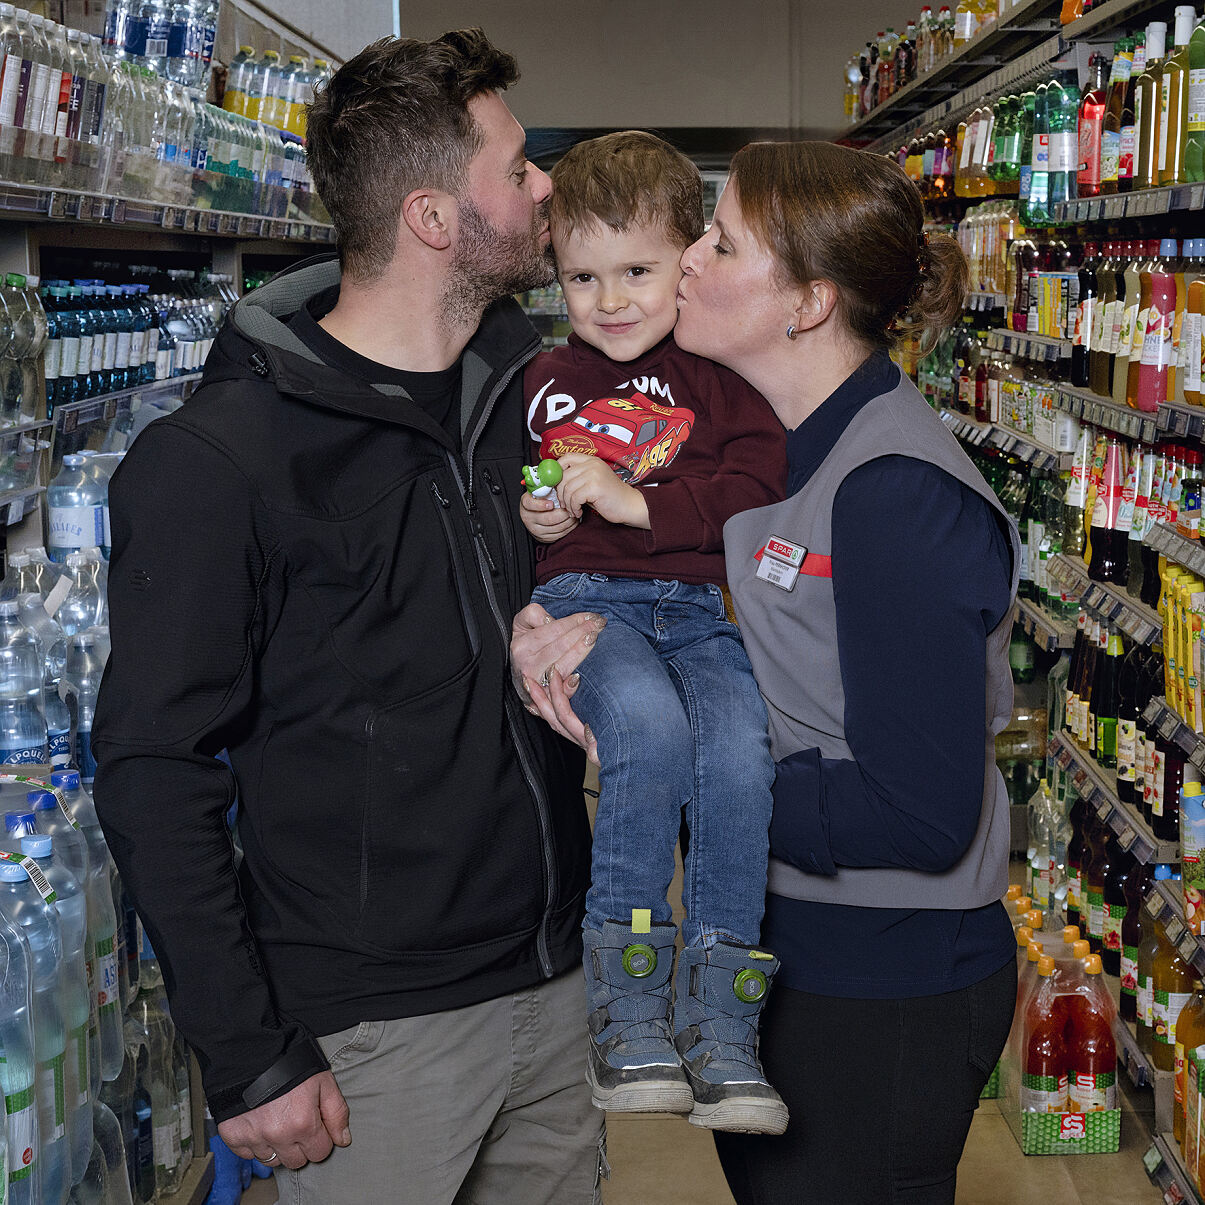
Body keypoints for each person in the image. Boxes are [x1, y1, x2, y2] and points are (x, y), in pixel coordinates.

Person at [91, 30, 608, 1205]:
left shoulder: (528, 395)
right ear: (434, 216)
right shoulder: (220, 460)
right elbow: (152, 765)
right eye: (518, 169)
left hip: (554, 982)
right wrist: (245, 1050)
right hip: (373, 1037)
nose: (543, 192)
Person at [518, 140, 1020, 1204]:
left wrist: (685, 774)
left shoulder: (892, 492)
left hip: (880, 983)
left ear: (805, 304)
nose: (685, 260)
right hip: (783, 948)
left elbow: (920, 809)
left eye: (719, 240)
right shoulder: (766, 441)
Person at [519, 131, 788, 1135]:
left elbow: (757, 487)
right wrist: (541, 513)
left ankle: (722, 1022)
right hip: (592, 602)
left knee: (737, 750)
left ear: (689, 255)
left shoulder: (722, 375)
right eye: (582, 276)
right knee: (645, 730)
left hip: (696, 608)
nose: (611, 298)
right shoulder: (544, 378)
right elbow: (525, 490)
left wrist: (636, 505)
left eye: (636, 269)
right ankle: (625, 1004)